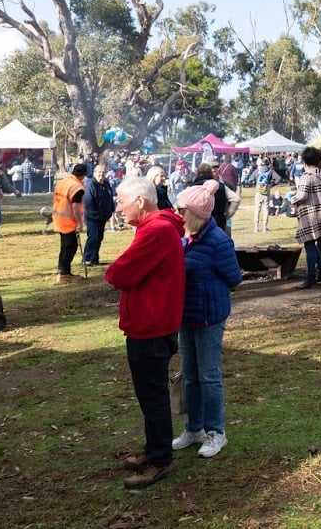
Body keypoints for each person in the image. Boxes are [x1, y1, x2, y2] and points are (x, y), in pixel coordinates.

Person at [106, 175, 186, 489]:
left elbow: (119, 273)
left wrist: (115, 271)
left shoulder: (155, 230)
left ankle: (160, 460)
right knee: (149, 395)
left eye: (121, 202)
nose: (118, 208)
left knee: (152, 397)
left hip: (151, 327)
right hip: (153, 323)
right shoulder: (158, 228)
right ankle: (154, 450)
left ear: (140, 201)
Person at [171, 179, 243, 460]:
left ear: (195, 213)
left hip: (209, 318)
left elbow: (234, 278)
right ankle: (194, 428)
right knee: (190, 376)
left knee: (209, 376)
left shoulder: (218, 241)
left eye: (180, 210)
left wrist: (207, 286)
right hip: (185, 317)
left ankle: (217, 432)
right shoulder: (181, 239)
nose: (176, 214)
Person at [291, 147, 321, 289]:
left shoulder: (306, 176)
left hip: (309, 214)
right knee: (313, 244)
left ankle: (310, 276)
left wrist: (292, 198)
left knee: (309, 245)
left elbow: (301, 195)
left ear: (305, 161)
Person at [52, 164, 87, 284]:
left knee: (65, 246)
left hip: (59, 218)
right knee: (71, 247)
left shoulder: (64, 181)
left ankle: (61, 270)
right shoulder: (77, 187)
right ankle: (64, 273)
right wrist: (80, 223)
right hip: (68, 221)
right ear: (83, 175)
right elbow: (76, 206)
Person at [83, 163, 117, 267]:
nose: (101, 174)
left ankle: (94, 258)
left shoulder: (106, 184)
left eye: (103, 172)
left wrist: (111, 210)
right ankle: (86, 258)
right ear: (94, 173)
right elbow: (88, 201)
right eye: (99, 172)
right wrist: (95, 214)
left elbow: (110, 198)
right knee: (93, 237)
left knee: (99, 238)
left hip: (103, 216)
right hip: (92, 216)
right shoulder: (90, 184)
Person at [190, 164, 229, 237]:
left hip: (199, 223)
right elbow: (235, 199)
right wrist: (228, 214)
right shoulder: (221, 186)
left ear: (197, 173)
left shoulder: (193, 188)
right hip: (218, 222)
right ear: (211, 173)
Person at [253, 159, 279, 232]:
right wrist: (271, 185)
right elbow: (278, 178)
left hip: (258, 192)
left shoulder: (257, 171)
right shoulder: (270, 171)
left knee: (257, 210)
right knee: (266, 210)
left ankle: (256, 227)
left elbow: (250, 179)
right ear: (269, 164)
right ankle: (264, 227)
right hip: (266, 192)